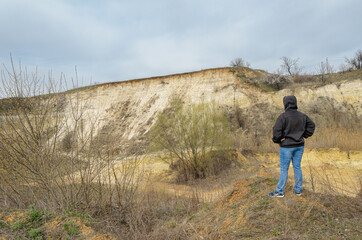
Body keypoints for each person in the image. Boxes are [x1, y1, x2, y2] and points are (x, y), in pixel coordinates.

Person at [269, 95, 315, 197]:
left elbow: (276, 132)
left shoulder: (283, 117)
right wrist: (304, 135)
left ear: (285, 103)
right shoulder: (303, 116)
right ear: (295, 103)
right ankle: (298, 190)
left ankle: (280, 191)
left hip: (286, 147)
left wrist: (278, 140)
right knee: (297, 167)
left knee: (284, 169)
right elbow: (312, 126)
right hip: (299, 146)